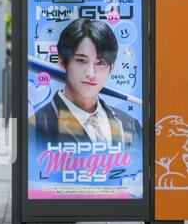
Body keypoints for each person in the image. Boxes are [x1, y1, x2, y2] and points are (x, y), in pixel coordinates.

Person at [29, 18, 142, 153]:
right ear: (62, 62)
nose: (91, 73)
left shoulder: (129, 125)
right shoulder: (36, 126)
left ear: (111, 67)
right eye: (81, 61)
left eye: (100, 63)